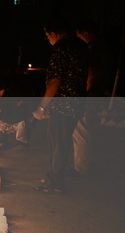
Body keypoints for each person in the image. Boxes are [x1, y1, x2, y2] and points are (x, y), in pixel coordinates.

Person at [33, 16, 89, 192]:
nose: (48, 40)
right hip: (76, 102)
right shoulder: (81, 45)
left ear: (53, 33)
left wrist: (42, 107)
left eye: (47, 36)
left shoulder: (61, 48)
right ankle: (53, 176)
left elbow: (55, 81)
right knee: (61, 142)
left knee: (58, 143)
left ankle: (55, 182)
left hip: (62, 104)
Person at [71, 19, 113, 176]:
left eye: (80, 37)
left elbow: (92, 74)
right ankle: (85, 165)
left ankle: (81, 168)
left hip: (89, 96)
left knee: (81, 132)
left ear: (86, 34)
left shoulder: (94, 50)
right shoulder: (105, 48)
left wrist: (81, 92)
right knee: (88, 131)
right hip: (99, 95)